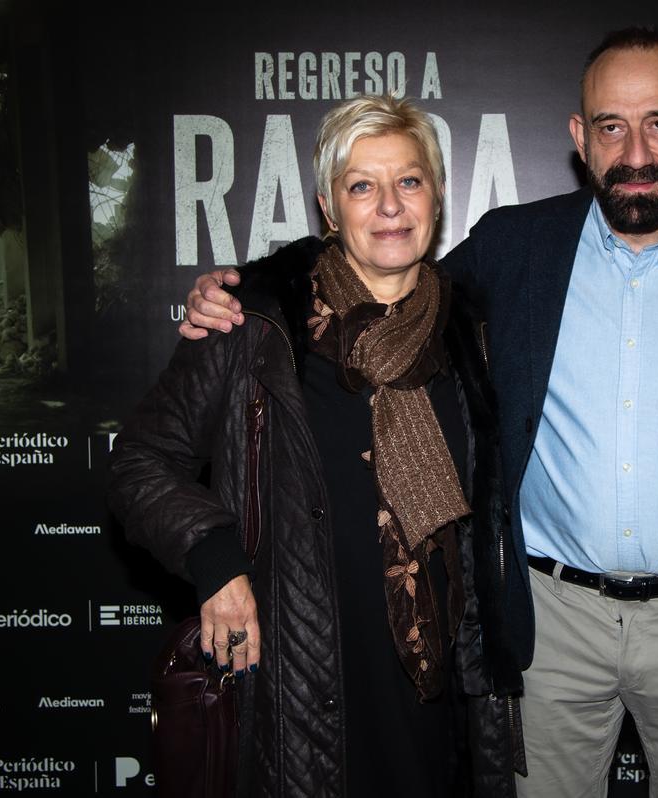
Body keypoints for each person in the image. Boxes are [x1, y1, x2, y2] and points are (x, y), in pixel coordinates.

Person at [179, 28, 658, 798]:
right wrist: (251, 287)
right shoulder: (515, 247)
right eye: (610, 127)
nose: (635, 149)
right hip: (550, 629)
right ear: (580, 140)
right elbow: (380, 278)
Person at [109, 94, 524, 797]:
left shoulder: (471, 329)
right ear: (329, 207)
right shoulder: (256, 323)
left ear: (438, 193)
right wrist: (215, 561)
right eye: (363, 185)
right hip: (304, 682)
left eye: (410, 181)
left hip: (441, 685)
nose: (390, 205)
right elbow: (140, 461)